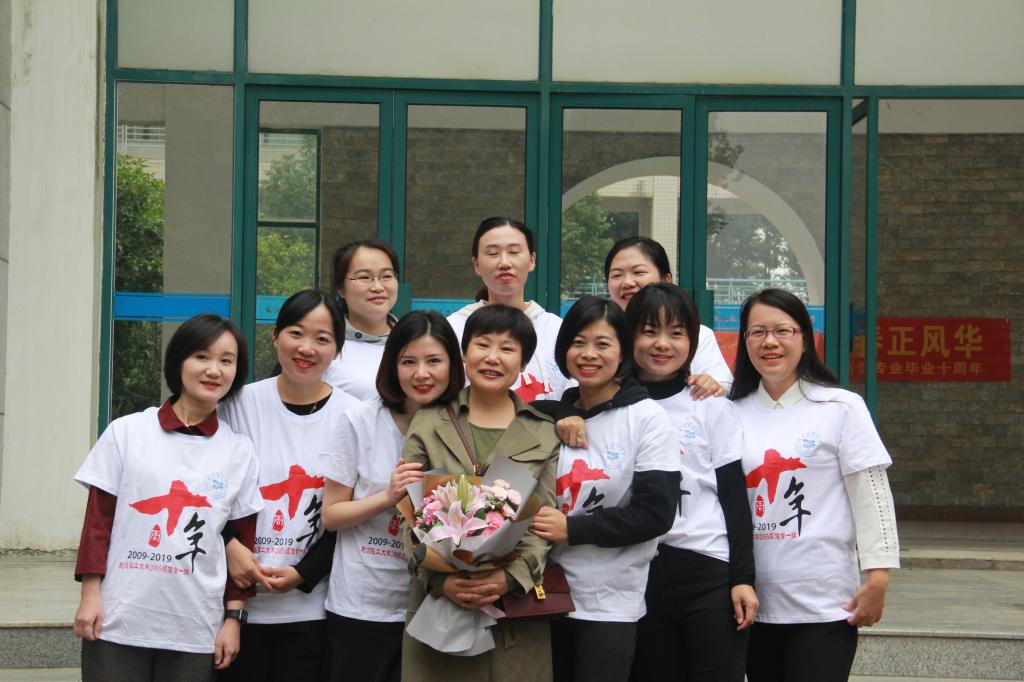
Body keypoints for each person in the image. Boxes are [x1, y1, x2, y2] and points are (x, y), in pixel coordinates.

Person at [72, 314, 263, 682]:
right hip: (118, 618)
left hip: (195, 625)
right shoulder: (127, 432)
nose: (214, 370)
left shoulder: (239, 450)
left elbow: (243, 541)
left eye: (226, 361)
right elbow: (98, 523)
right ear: (179, 361)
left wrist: (233, 618)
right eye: (202, 357)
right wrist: (90, 595)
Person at [729, 288, 899, 682]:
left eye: (782, 331)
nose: (770, 342)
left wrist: (878, 576)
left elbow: (871, 494)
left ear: (805, 339)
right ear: (745, 341)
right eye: (757, 332)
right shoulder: (729, 412)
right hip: (753, 602)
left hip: (825, 602)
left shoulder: (840, 407)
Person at [401, 304, 561, 682]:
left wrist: (510, 578)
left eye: (507, 348)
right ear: (464, 353)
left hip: (513, 613)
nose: (492, 357)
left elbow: (543, 522)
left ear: (524, 363)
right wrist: (441, 581)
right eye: (482, 344)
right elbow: (409, 513)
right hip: (439, 607)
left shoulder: (542, 431)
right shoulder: (430, 421)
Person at [530, 296, 681, 682]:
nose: (588, 354)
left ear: (623, 351)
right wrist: (564, 412)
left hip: (608, 604)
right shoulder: (545, 417)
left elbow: (655, 514)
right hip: (542, 596)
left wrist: (571, 528)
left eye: (602, 343)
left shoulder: (647, 419)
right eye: (578, 342)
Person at [217, 290, 358, 681]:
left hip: (315, 610)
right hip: (235, 608)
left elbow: (353, 513)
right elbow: (208, 486)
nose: (306, 348)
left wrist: (303, 572)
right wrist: (229, 545)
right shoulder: (237, 404)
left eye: (322, 339)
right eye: (296, 333)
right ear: (275, 336)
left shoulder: (353, 416)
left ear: (338, 350)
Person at [319, 310, 464, 682]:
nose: (421, 373)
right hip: (363, 604)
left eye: (434, 361)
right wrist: (388, 496)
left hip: (437, 601)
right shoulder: (360, 420)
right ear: (391, 365)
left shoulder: (464, 425)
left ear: (453, 364)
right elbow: (331, 515)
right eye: (408, 361)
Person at [621, 283, 757, 682]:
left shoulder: (710, 406)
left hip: (707, 570)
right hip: (637, 572)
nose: (662, 344)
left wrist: (743, 578)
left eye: (677, 333)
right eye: (649, 331)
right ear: (630, 336)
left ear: (693, 342)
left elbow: (734, 498)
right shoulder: (613, 406)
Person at [447, 217, 568, 401]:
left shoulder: (558, 330)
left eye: (514, 252)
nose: (504, 262)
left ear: (532, 260)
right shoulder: (452, 329)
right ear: (477, 265)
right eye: (493, 253)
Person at [604, 236, 732, 397]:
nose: (627, 282)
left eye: (638, 272)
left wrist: (712, 386)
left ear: (666, 280)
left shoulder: (700, 335)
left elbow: (723, 386)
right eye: (617, 275)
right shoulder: (599, 333)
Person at [324, 239, 402, 399]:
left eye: (387, 276)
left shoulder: (412, 341)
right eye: (364, 277)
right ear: (340, 288)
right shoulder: (324, 345)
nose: (378, 287)